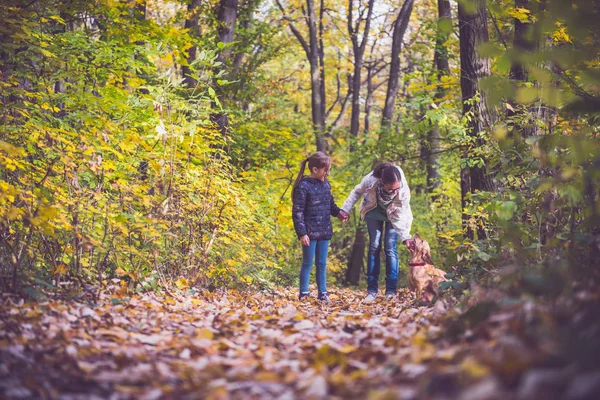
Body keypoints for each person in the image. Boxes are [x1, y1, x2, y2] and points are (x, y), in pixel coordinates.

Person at [338, 162, 414, 302]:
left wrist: (406, 237)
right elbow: (357, 192)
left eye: (397, 188)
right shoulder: (371, 180)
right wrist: (345, 210)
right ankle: (372, 291)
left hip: (395, 214)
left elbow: (403, 215)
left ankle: (391, 291)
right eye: (391, 189)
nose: (395, 192)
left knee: (390, 248)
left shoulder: (402, 190)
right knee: (374, 245)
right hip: (373, 210)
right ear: (382, 182)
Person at [292, 152, 343, 302]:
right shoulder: (303, 186)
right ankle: (304, 293)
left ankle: (323, 293)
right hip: (309, 232)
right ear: (315, 169)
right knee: (308, 262)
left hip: (324, 230)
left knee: (322, 263)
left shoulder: (326, 184)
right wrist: (302, 233)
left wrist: (339, 213)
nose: (327, 173)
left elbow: (330, 205)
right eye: (325, 170)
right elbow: (298, 211)